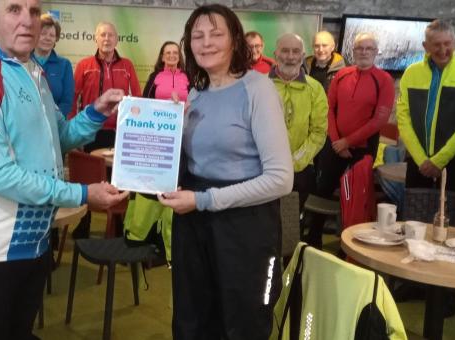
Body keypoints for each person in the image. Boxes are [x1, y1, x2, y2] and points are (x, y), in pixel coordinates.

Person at [0, 0, 128, 338]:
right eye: (14, 10)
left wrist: (95, 111)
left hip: (36, 241)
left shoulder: (34, 71)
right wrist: (83, 193)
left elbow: (59, 138)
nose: (27, 21)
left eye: (34, 12)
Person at [157, 4, 293, 340]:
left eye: (216, 34)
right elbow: (189, 165)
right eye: (197, 36)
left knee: (244, 321)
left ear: (235, 39)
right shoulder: (194, 94)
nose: (206, 43)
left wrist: (204, 201)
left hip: (245, 228)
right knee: (193, 319)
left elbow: (280, 179)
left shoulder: (258, 88)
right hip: (194, 225)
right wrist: (167, 134)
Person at [307, 32, 394, 248]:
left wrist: (348, 142)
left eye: (368, 48)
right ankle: (313, 238)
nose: (363, 52)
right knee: (322, 191)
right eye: (359, 48)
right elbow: (329, 109)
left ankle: (352, 245)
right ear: (352, 51)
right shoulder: (342, 75)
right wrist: (337, 140)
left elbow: (379, 119)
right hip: (334, 145)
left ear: (375, 52)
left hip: (363, 149)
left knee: (355, 199)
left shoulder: (384, 79)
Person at [397, 19, 455, 193]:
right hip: (418, 161)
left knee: (451, 216)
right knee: (416, 217)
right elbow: (403, 119)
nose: (443, 50)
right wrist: (422, 160)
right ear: (425, 46)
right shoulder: (411, 73)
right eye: (437, 45)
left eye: (447, 43)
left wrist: (438, 161)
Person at [270, 33, 327, 209]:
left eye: (296, 52)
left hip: (300, 169)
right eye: (285, 51)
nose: (290, 57)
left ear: (302, 56)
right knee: (263, 221)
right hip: (263, 168)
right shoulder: (259, 86)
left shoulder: (315, 89)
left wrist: (294, 162)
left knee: (292, 224)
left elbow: (318, 132)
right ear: (275, 55)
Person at [71, 21, 141, 152]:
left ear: (117, 40)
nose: (107, 39)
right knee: (92, 171)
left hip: (120, 130)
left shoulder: (127, 65)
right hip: (91, 130)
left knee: (115, 172)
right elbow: (73, 99)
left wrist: (135, 130)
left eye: (111, 35)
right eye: (103, 35)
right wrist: (75, 134)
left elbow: (137, 98)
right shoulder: (84, 65)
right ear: (95, 39)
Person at [34, 13, 74, 117]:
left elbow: (67, 102)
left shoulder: (65, 65)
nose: (47, 38)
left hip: (54, 126)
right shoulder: (23, 61)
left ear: (56, 39)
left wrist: (53, 120)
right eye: (43, 33)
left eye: (52, 35)